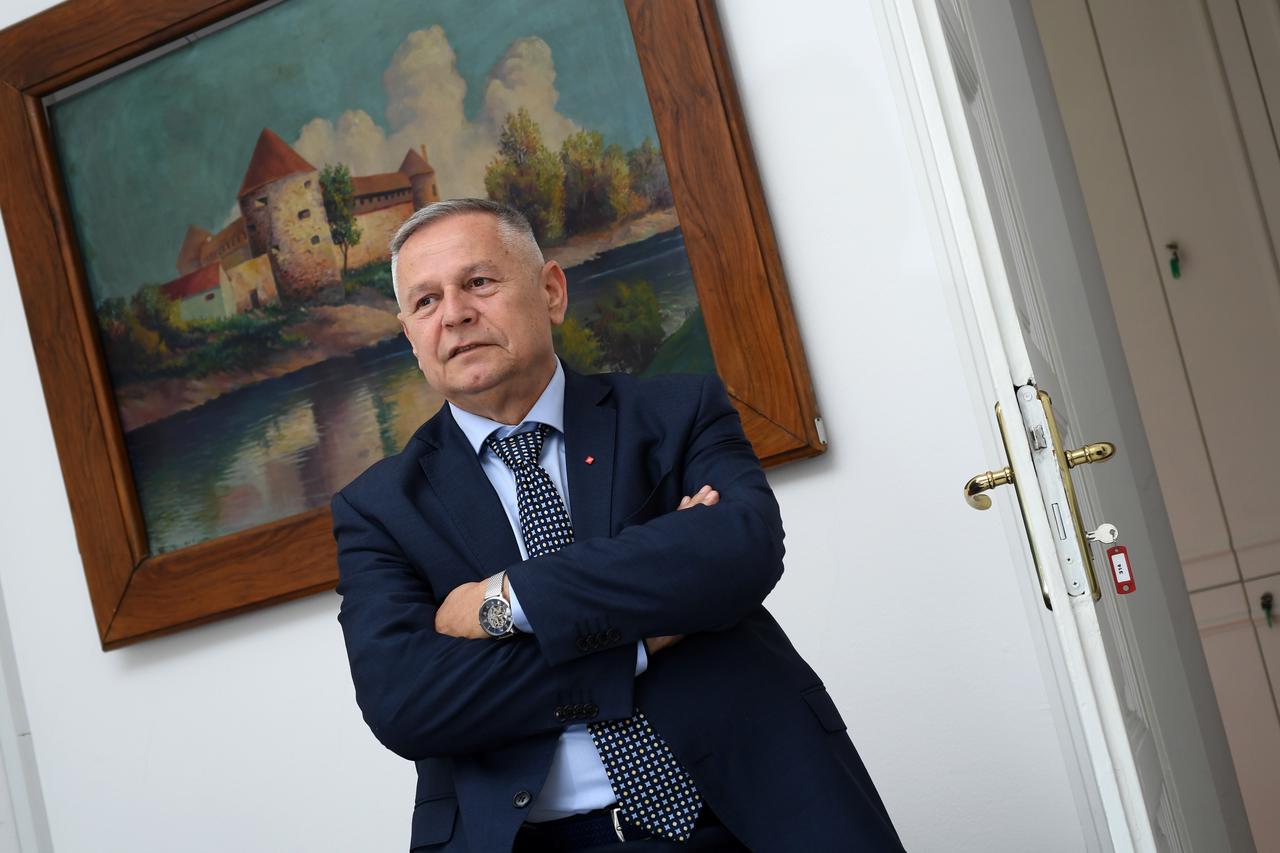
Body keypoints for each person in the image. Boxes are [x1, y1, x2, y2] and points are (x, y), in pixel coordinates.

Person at [331, 198, 903, 852]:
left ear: (551, 291)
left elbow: (739, 551)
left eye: (479, 282)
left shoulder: (677, 410)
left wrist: (505, 600)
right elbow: (408, 704)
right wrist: (639, 636)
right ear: (411, 336)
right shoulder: (379, 508)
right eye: (427, 301)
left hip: (753, 809)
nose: (455, 313)